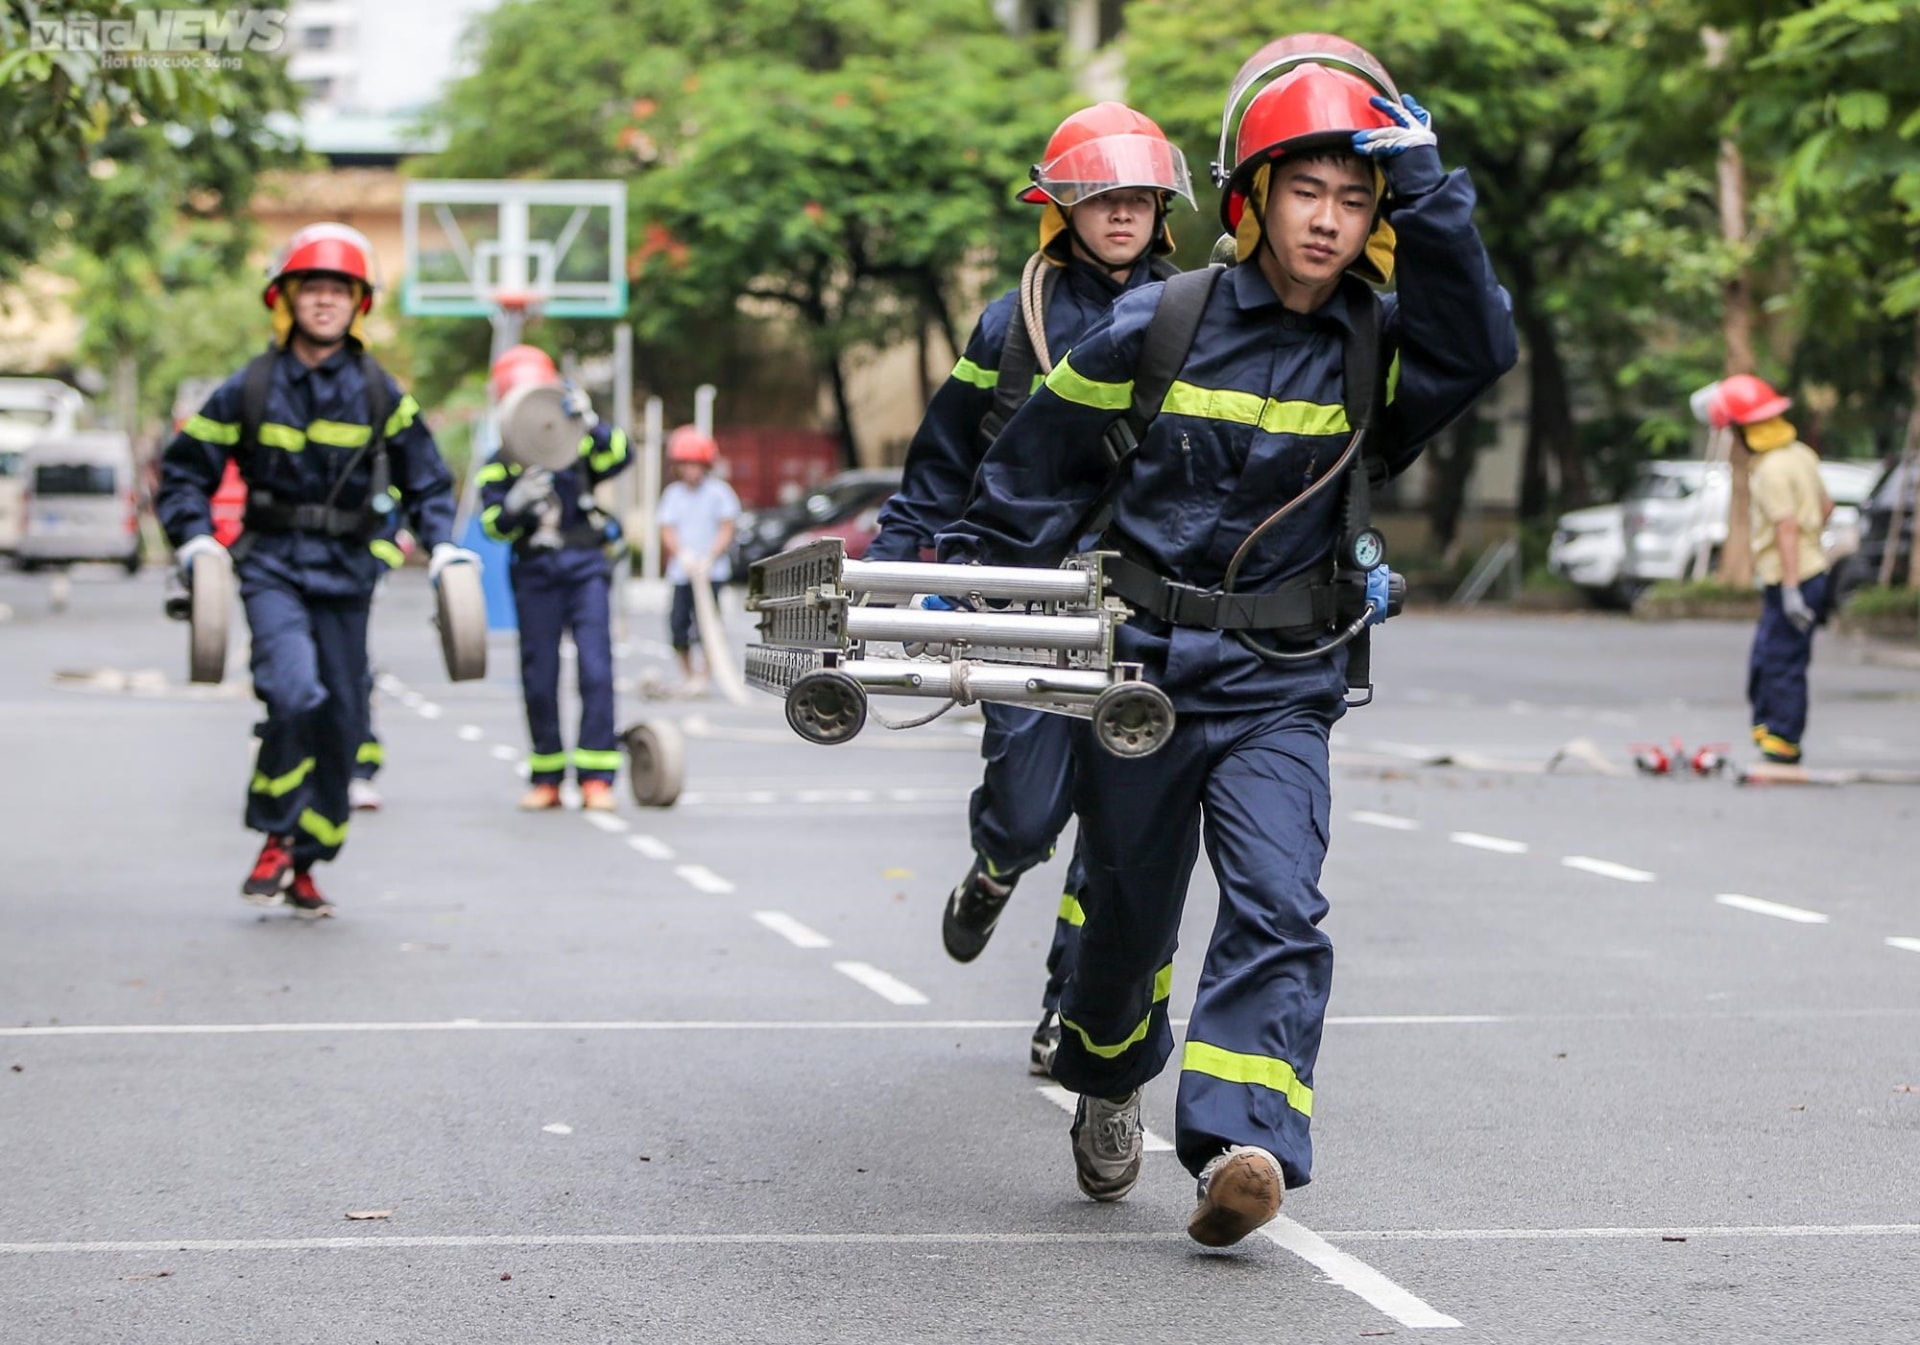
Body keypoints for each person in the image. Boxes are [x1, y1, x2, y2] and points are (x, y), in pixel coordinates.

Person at [940, 42, 1516, 1245]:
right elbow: (1030, 479)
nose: (1330, 221)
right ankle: (1105, 1077)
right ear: (1252, 200)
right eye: (1307, 191)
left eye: (1356, 200)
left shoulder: (1377, 344)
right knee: (1127, 921)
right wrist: (971, 601)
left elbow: (1481, 349)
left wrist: (1434, 187)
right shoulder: (1157, 325)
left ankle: (1241, 1141)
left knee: (1279, 903)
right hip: (1140, 676)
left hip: (1281, 684)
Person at [867, 102, 1196, 1075]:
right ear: (1062, 209)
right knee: (1025, 807)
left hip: (1146, 606)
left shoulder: (1201, 315)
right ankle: (998, 864)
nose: (1123, 213)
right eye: (1102, 197)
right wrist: (901, 576)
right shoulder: (1013, 323)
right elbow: (939, 465)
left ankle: (1065, 1009)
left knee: (1118, 825)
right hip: (1026, 594)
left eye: (1139, 197)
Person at [158, 222, 473, 917]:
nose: (325, 301)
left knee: (344, 723)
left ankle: (307, 860)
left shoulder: (379, 391)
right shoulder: (250, 386)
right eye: (314, 289)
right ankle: (275, 830)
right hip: (271, 567)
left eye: (340, 290)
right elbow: (184, 474)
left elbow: (426, 481)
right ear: (287, 298)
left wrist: (442, 542)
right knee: (295, 692)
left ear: (358, 303)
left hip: (348, 573)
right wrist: (195, 541)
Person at [478, 345, 633, 811]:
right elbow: (492, 526)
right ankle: (546, 775)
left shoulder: (578, 444)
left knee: (596, 669)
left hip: (585, 566)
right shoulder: (500, 460)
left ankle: (596, 778)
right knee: (539, 675)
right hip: (535, 573)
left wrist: (591, 421)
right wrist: (513, 506)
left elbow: (620, 455)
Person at [1706, 374, 1833, 765]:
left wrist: (1792, 588)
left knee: (1782, 661)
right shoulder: (1800, 455)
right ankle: (1768, 727)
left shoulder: (1770, 471)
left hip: (1791, 580)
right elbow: (1826, 507)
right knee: (1768, 656)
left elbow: (1787, 527)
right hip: (1807, 573)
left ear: (1746, 430)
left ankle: (1783, 740)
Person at [656, 426, 740, 692]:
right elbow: (667, 529)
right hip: (683, 571)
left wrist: (711, 555)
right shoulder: (673, 495)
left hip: (711, 572)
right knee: (678, 625)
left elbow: (727, 527)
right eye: (686, 465)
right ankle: (688, 675)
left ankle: (704, 677)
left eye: (696, 465)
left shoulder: (720, 493)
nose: (692, 471)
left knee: (708, 628)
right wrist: (682, 554)